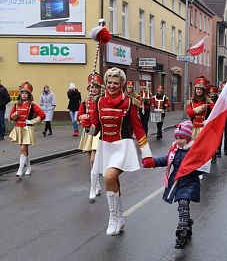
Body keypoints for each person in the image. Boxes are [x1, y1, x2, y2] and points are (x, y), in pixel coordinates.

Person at [82, 67, 153, 236]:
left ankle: (112, 218)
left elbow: (139, 129)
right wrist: (87, 126)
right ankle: (119, 218)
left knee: (109, 177)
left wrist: (147, 153)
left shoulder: (129, 103)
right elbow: (95, 129)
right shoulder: (99, 102)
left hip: (123, 146)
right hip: (105, 146)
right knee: (114, 182)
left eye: (115, 83)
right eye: (109, 82)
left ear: (121, 84)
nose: (112, 86)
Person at [143, 120, 201, 249]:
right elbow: (165, 159)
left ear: (188, 139)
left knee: (183, 204)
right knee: (183, 206)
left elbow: (200, 167)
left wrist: (194, 169)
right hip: (178, 182)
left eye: (182, 138)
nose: (179, 141)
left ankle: (182, 233)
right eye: (177, 138)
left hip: (190, 182)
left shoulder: (193, 151)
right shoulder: (175, 150)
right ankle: (187, 223)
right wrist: (152, 162)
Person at [8, 82, 46, 178]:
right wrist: (14, 115)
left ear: (29, 95)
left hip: (27, 129)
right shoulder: (16, 105)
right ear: (20, 94)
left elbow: (42, 115)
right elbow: (10, 118)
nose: (24, 94)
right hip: (18, 128)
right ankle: (28, 167)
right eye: (22, 93)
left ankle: (20, 170)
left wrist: (32, 121)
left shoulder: (32, 105)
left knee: (23, 149)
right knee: (25, 150)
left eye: (26, 93)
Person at [78, 73, 104, 202]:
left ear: (100, 88)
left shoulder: (102, 100)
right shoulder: (85, 101)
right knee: (91, 160)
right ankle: (97, 184)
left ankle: (92, 188)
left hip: (98, 131)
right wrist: (82, 117)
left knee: (94, 160)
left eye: (96, 87)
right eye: (91, 87)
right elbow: (80, 114)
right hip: (88, 131)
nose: (93, 89)